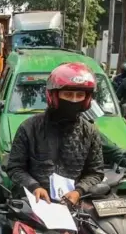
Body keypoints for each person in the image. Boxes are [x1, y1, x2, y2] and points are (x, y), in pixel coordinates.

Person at [7, 62, 104, 204]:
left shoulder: (89, 132)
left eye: (79, 95)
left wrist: (79, 191)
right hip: (33, 202)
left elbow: (95, 172)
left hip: (74, 204)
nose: (74, 100)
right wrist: (34, 186)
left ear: (87, 99)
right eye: (68, 94)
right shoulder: (29, 128)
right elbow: (15, 168)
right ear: (54, 96)